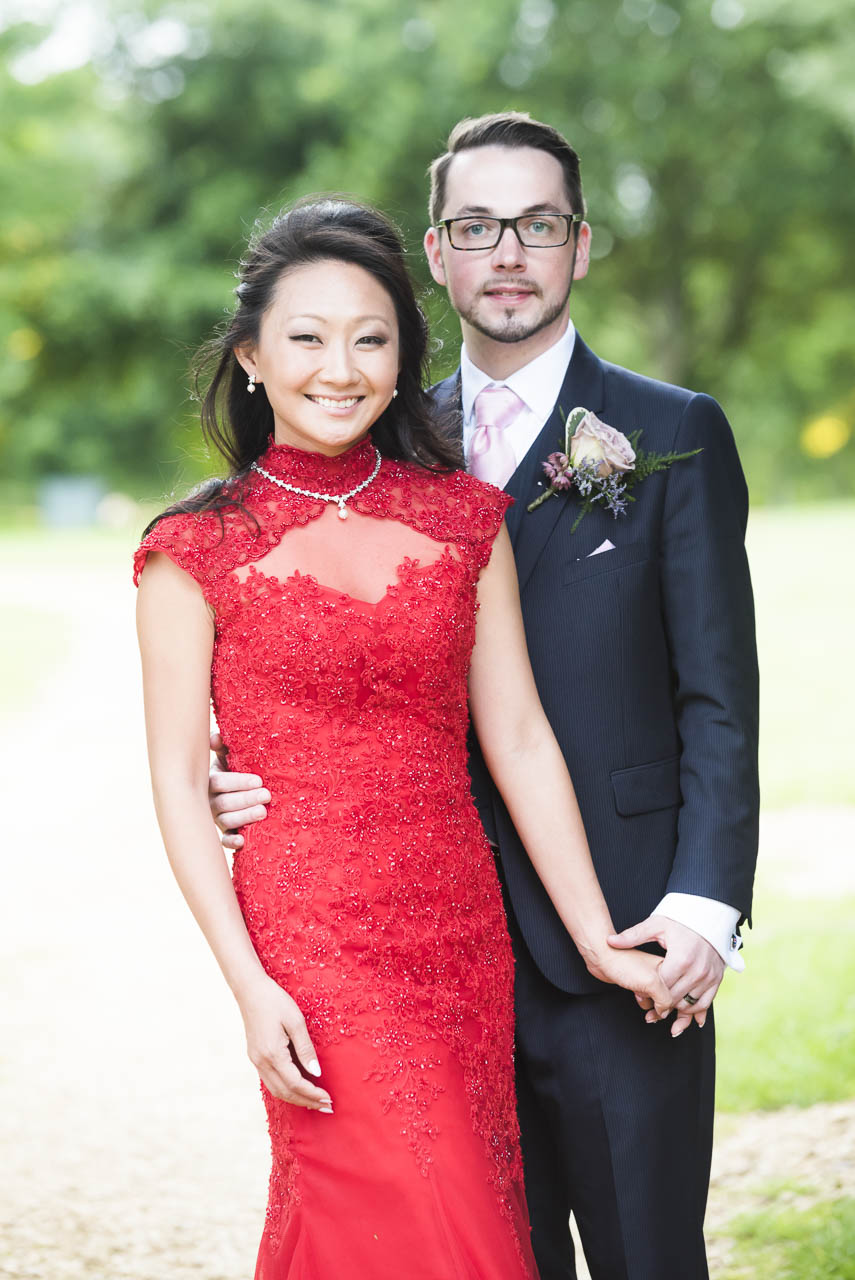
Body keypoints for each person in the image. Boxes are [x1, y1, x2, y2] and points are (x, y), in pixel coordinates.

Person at [212, 117, 760, 1280]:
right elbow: (310, 623)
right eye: (477, 227)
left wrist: (706, 905)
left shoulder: (673, 433)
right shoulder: (380, 434)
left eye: (538, 224)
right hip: (423, 956)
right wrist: (253, 763)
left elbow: (721, 693)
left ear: (581, 244)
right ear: (439, 252)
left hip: (619, 921)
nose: (508, 251)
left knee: (645, 1254)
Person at [135, 197, 676, 1280]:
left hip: (456, 931)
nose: (339, 366)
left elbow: (518, 735)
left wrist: (594, 931)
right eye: (306, 337)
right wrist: (251, 987)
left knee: (460, 1202)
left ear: (401, 362)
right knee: (405, 1211)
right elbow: (177, 786)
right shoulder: (190, 549)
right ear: (249, 356)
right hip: (312, 942)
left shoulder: (466, 520)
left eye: (371, 338)